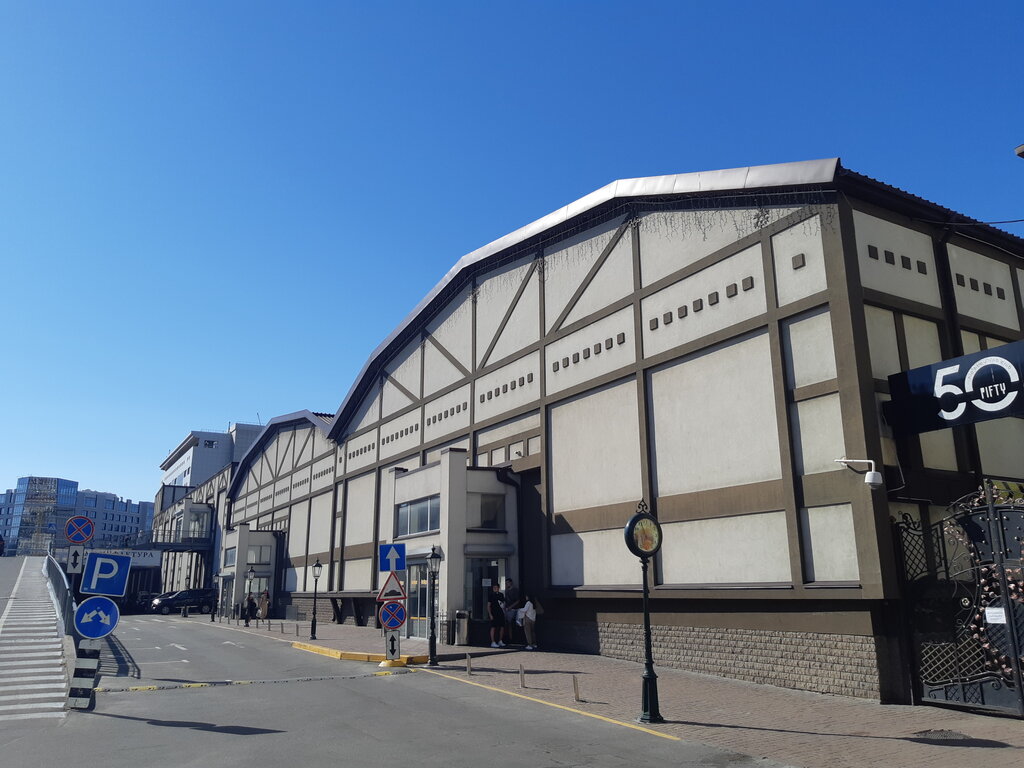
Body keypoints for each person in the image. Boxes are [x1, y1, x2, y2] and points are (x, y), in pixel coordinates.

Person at [487, 583, 506, 648]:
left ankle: (500, 641)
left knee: (502, 627)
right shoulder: (491, 595)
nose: (495, 588)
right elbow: (488, 605)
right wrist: (490, 614)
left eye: (496, 587)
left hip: (501, 613)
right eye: (494, 587)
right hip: (494, 613)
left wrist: (504, 611)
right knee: (493, 627)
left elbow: (503, 604)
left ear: (498, 588)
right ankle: (493, 642)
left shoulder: (501, 595)